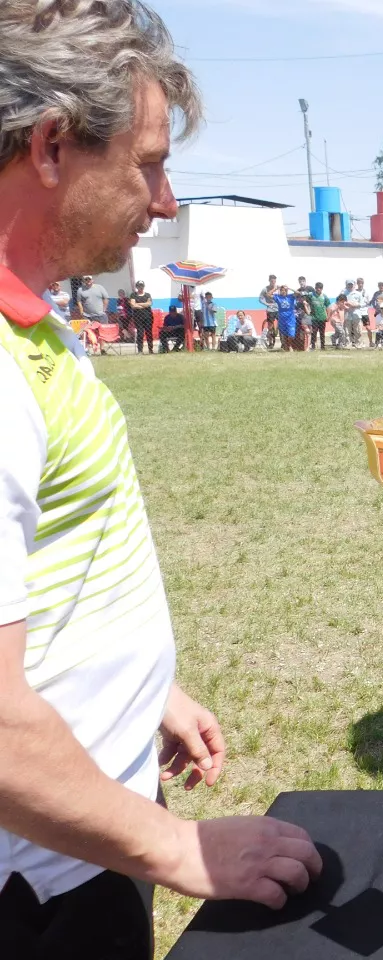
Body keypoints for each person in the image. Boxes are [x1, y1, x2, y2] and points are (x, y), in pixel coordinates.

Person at [0, 9, 322, 954]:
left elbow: (58, 561)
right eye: (147, 162)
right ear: (54, 146)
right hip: (38, 890)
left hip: (83, 839)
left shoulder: (36, 329)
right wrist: (180, 849)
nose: (167, 198)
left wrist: (142, 695)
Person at [273, 284, 301, 352]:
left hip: (290, 319)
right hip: (282, 318)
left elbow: (298, 293)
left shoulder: (291, 296)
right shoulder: (278, 297)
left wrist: (289, 287)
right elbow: (268, 295)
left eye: (284, 290)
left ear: (286, 291)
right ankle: (287, 347)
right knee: (284, 334)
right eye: (282, 290)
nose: (283, 291)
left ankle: (290, 345)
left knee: (291, 335)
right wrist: (276, 289)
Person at [129, 280, 154, 354]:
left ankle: (150, 349)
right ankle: (140, 350)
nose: (141, 287)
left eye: (142, 286)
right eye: (139, 286)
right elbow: (133, 305)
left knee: (149, 333)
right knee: (140, 334)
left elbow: (149, 304)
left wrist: (138, 304)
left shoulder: (147, 295)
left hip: (148, 317)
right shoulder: (133, 295)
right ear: (136, 287)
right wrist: (144, 304)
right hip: (138, 318)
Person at [307, 281, 330, 351]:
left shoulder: (324, 296)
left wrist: (328, 316)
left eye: (320, 288)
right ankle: (313, 346)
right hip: (314, 318)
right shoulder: (311, 295)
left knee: (322, 333)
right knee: (314, 333)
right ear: (315, 288)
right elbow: (305, 300)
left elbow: (328, 306)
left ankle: (323, 346)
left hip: (322, 318)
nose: (318, 289)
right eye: (317, 288)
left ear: (322, 288)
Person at [258, 273, 278, 349]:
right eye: (272, 281)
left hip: (279, 309)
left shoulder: (278, 288)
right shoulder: (265, 289)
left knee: (282, 324)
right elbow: (260, 298)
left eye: (274, 281)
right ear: (269, 281)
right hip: (270, 310)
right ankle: (270, 342)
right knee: (270, 327)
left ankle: (283, 342)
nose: (273, 283)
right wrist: (266, 304)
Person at [352, 278, 373, 348]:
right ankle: (361, 342)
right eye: (359, 283)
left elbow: (369, 302)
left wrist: (368, 302)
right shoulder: (354, 292)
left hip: (364, 313)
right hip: (357, 313)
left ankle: (371, 342)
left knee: (368, 328)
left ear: (363, 283)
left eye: (362, 283)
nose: (360, 284)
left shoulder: (366, 292)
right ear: (357, 284)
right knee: (359, 329)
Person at [339, 281, 360, 348]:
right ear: (346, 285)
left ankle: (358, 343)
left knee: (357, 330)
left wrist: (353, 305)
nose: (350, 286)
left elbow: (361, 304)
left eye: (351, 284)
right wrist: (346, 306)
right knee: (347, 331)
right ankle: (348, 344)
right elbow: (340, 303)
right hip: (347, 314)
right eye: (349, 284)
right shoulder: (343, 293)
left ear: (354, 285)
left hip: (356, 314)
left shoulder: (358, 294)